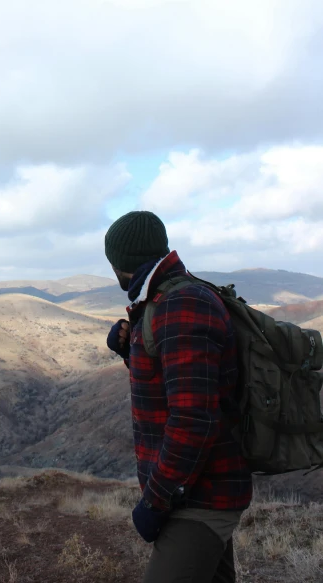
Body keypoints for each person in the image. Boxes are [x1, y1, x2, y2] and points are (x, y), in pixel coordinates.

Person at [105, 211, 252, 583]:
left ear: (123, 265)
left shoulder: (180, 304)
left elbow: (192, 419)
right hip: (197, 489)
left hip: (200, 497)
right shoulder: (165, 298)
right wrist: (130, 350)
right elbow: (176, 386)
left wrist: (155, 501)